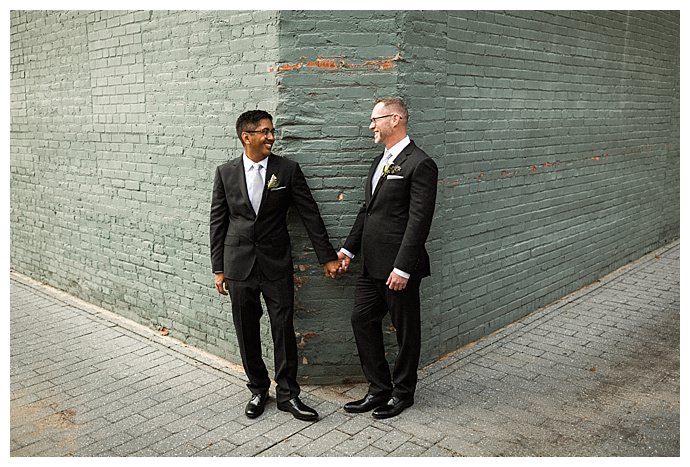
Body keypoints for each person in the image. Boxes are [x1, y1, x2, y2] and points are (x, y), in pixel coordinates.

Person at [210, 110, 341, 422]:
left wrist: (328, 256)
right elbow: (218, 222)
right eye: (265, 131)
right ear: (247, 136)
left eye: (272, 131)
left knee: (282, 328)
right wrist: (219, 268)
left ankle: (288, 394)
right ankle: (257, 389)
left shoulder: (287, 170)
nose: (272, 137)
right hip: (238, 265)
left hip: (276, 264)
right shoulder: (225, 172)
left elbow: (310, 214)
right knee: (246, 329)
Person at [338, 97, 438, 419]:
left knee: (406, 330)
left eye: (375, 119)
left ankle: (403, 393)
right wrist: (348, 250)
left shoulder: (420, 163)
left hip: (398, 269)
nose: (371, 126)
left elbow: (419, 221)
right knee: (361, 320)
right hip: (371, 266)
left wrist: (403, 268)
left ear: (395, 119)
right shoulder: (378, 162)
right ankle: (378, 390)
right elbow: (367, 211)